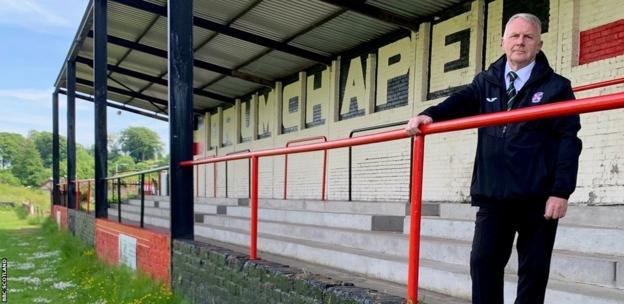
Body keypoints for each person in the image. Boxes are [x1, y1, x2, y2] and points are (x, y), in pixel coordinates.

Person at [405, 13, 582, 304]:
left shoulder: (557, 87)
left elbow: (569, 141)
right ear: (503, 42)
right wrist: (431, 114)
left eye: (527, 37)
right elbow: (460, 101)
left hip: (538, 196)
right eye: (514, 36)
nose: (520, 42)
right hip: (494, 194)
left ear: (539, 43)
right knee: (483, 262)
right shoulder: (486, 81)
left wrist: (561, 191)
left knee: (534, 271)